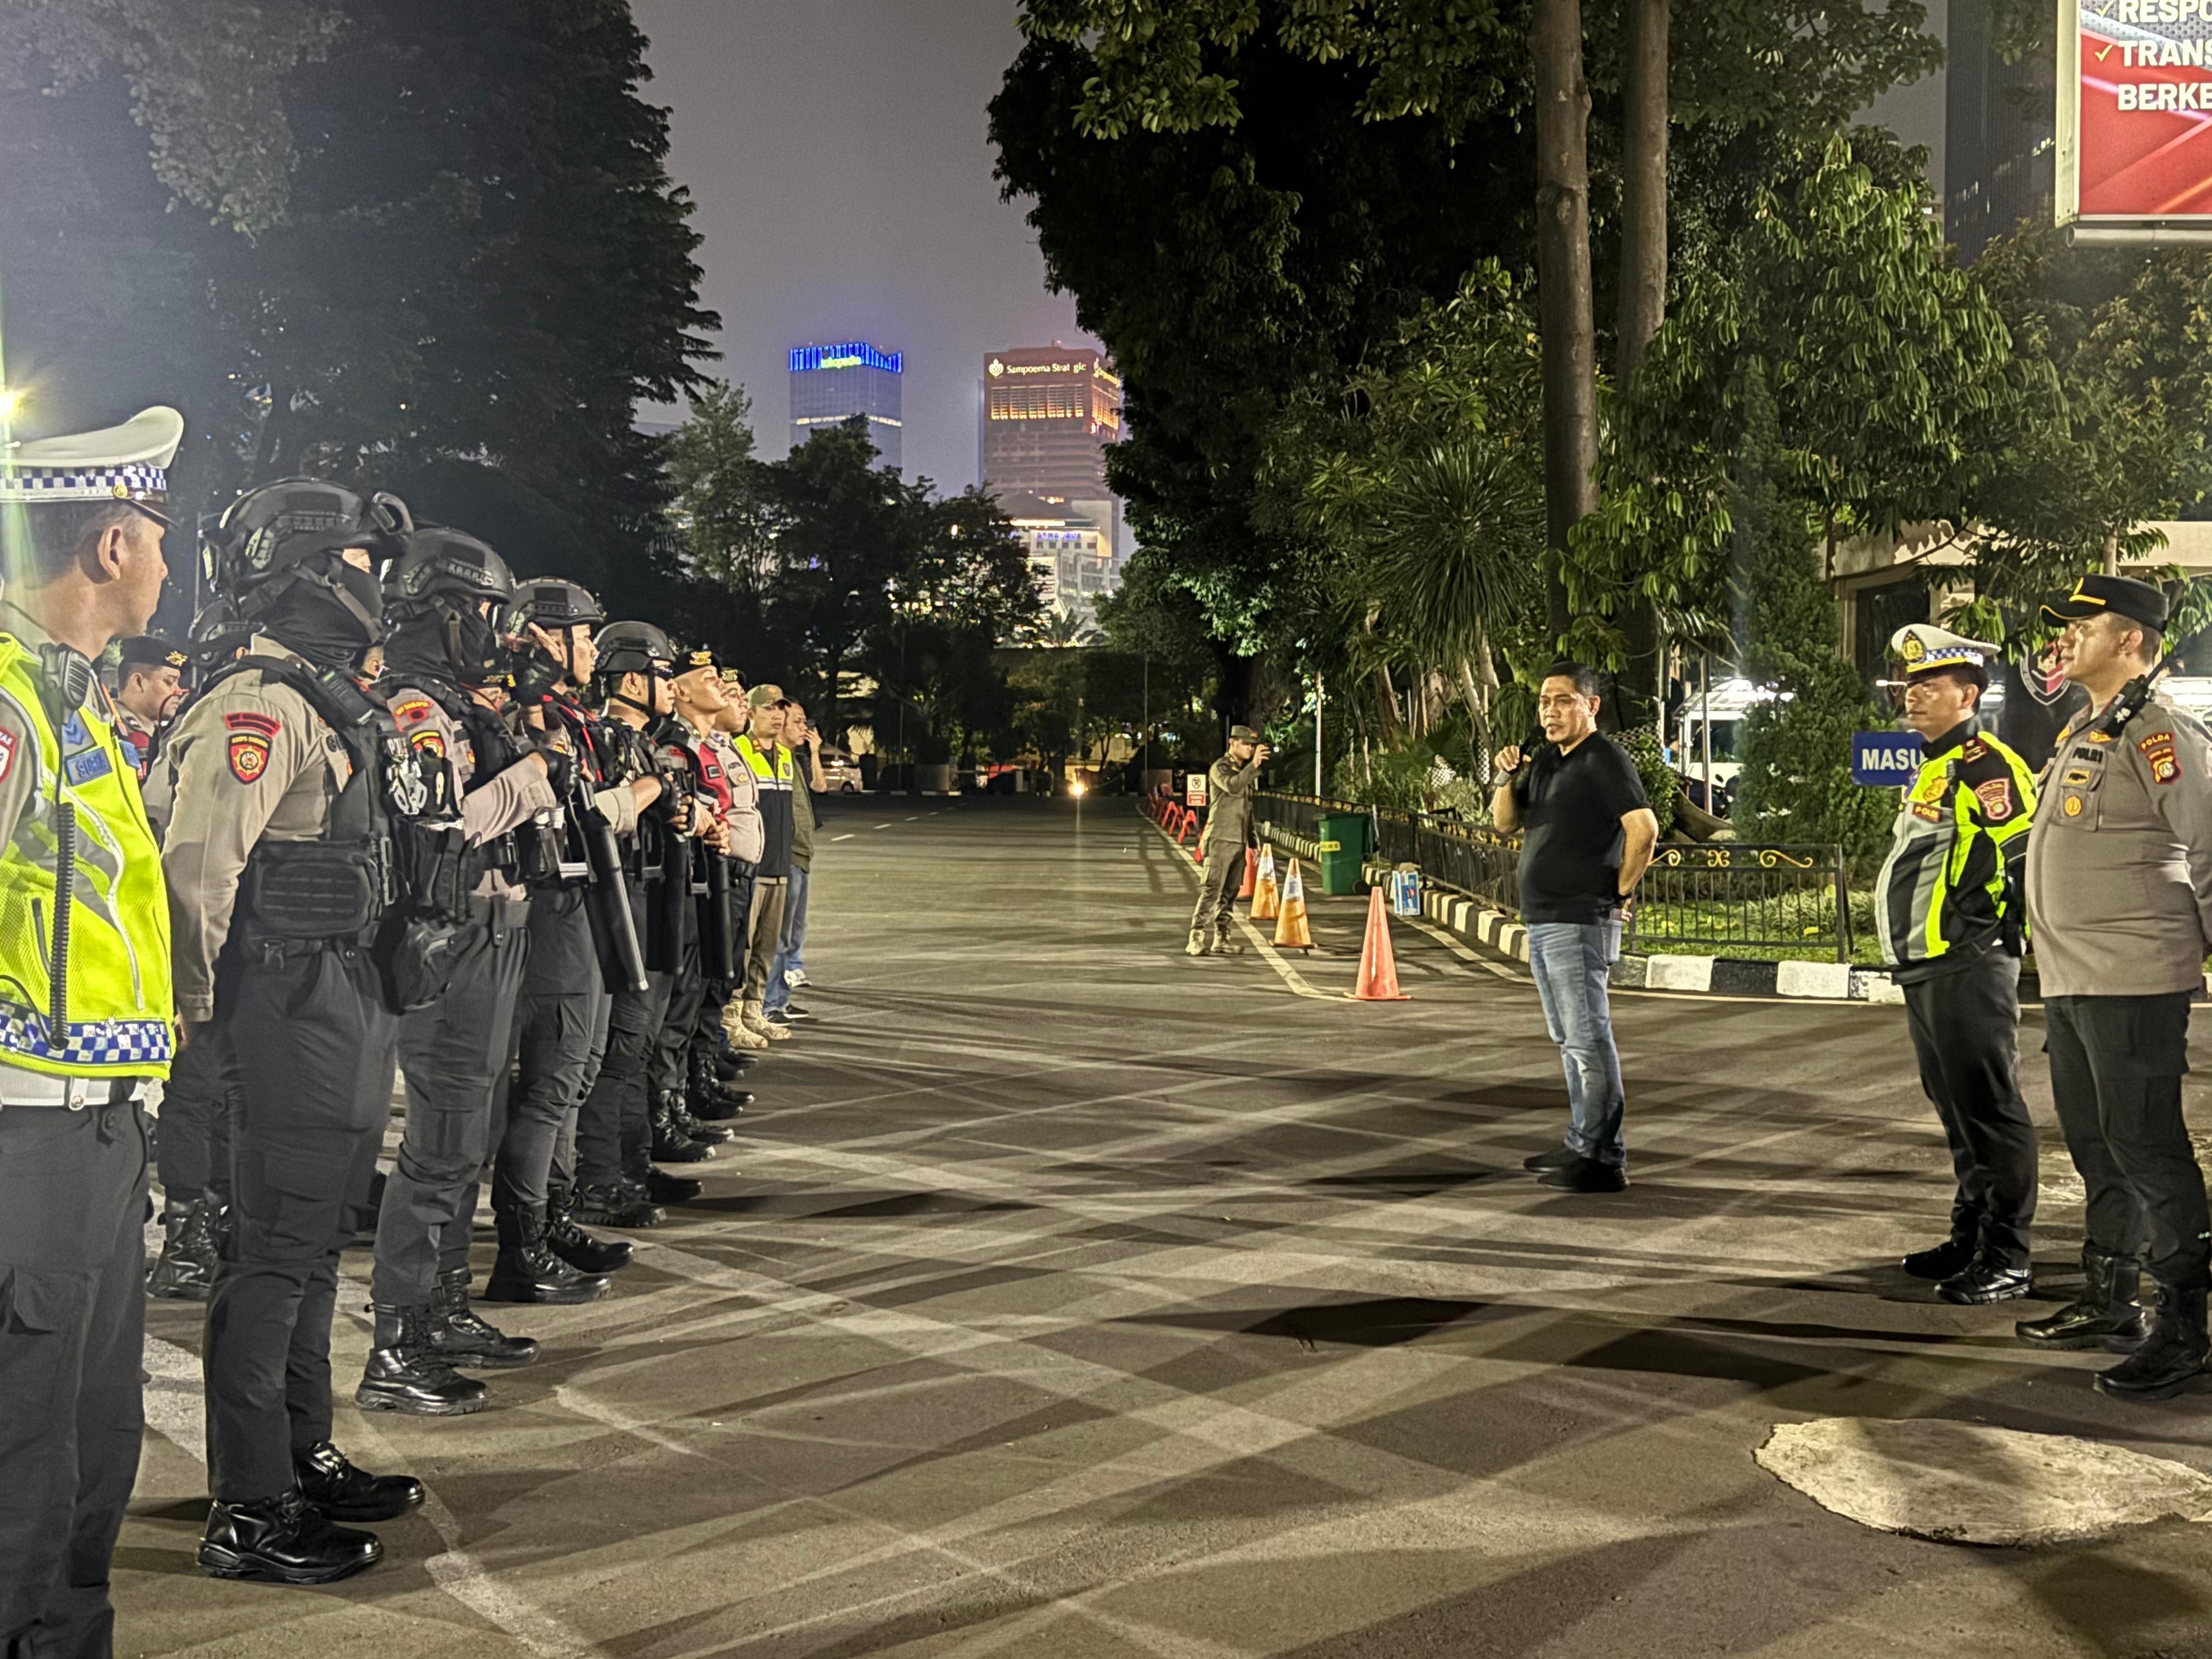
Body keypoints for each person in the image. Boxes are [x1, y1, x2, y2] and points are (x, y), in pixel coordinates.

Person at [164, 477, 439, 1583]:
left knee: (316, 1241)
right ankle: (249, 1503)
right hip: (287, 1001)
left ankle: (299, 1452)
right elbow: (198, 871)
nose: (375, 583)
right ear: (308, 569)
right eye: (362, 562)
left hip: (341, 991)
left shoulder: (322, 697)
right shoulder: (260, 703)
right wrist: (191, 1014)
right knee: (274, 1249)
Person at [0, 407, 180, 1659]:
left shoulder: (69, 703)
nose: (168, 555)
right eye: (158, 529)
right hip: (27, 1144)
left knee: (90, 1445)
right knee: (24, 1457)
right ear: (111, 545)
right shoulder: (12, 703)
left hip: (96, 1132)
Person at [360, 528, 575, 1419]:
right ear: (442, 612)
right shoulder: (414, 704)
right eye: (484, 612)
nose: (497, 630)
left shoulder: (460, 700)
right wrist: (533, 776)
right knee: (441, 1141)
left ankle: (442, 1309)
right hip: (453, 939)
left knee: (470, 1135)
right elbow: (444, 824)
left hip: (497, 925)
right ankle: (399, 1340)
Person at [2022, 573, 2212, 1401]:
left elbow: (2210, 842)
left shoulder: (2161, 730)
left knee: (2148, 1148)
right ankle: (2113, 1298)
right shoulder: (2088, 726)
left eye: (2082, 626)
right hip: (2074, 979)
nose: (2065, 639)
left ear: (2129, 638)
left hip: (2133, 978)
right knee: (2096, 1142)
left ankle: (2186, 1328)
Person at [1875, 624, 2040, 1305]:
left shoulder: (1985, 765)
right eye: (1910, 684)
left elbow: (2024, 858)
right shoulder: (1936, 764)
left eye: (1929, 685)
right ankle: (1970, 1235)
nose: (1912, 695)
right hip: (1928, 965)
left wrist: (2022, 942)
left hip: (1968, 962)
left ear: (1968, 695)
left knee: (1989, 1110)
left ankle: (2008, 1255)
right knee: (1957, 1111)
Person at [488, 579, 644, 1291]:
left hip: (580, 904)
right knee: (551, 1083)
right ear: (547, 637)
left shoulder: (565, 716)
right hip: (547, 910)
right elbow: (563, 808)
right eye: (582, 635)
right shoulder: (516, 712)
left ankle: (551, 1218)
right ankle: (523, 1244)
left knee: (575, 1077)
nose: (591, 650)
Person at [1492, 663, 1658, 1193]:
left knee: (1588, 1039)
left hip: (1579, 919)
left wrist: (1620, 892)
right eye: (1545, 701)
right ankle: (1582, 1141)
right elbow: (1505, 823)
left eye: (1563, 700)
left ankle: (1604, 1158)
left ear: (1591, 706)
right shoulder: (1546, 760)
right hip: (1544, 919)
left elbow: (1644, 830)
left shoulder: (1603, 759)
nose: (1550, 710)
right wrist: (1505, 777)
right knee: (1569, 1039)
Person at [569, 620, 692, 1227]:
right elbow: (598, 815)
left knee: (638, 1044)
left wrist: (680, 812)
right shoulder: (603, 739)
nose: (672, 687)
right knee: (618, 1048)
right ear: (634, 679)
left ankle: (631, 1165)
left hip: (651, 897)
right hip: (621, 900)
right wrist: (653, 793)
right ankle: (599, 1179)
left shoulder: (644, 741)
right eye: (663, 675)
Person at [731, 687, 795, 1045]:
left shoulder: (785, 755)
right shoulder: (739, 750)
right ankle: (732, 1014)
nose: (777, 715)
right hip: (753, 867)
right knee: (742, 946)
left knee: (766, 947)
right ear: (751, 713)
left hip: (779, 866)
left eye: (781, 708)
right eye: (769, 708)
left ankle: (754, 1012)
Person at [763, 698, 826, 1024]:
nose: (804, 727)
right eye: (797, 722)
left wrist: (815, 753)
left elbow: (819, 788)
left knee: (792, 935)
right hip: (784, 857)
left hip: (800, 855)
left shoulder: (791, 760)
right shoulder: (770, 759)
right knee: (779, 936)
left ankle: (780, 1000)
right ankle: (769, 1005)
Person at [1186, 725, 1268, 957]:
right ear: (1232, 743)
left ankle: (1222, 938)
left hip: (1238, 841)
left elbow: (1248, 810)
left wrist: (1253, 842)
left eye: (1252, 745)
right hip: (1220, 839)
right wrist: (1254, 766)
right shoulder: (1221, 768)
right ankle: (1196, 937)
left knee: (1230, 892)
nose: (1250, 749)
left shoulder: (1244, 773)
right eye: (1245, 744)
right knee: (1212, 889)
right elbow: (1232, 786)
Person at [111, 633, 188, 777]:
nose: (178, 691)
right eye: (169, 682)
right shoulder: (109, 728)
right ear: (138, 682)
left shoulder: (169, 732)